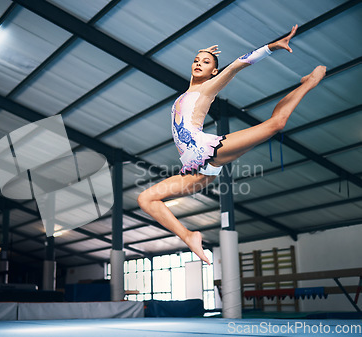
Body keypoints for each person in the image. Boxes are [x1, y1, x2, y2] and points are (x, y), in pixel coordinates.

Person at [137, 25, 326, 265]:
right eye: (196, 60)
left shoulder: (208, 88)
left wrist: (271, 47)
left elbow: (237, 65)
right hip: (193, 168)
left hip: (206, 149)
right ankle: (189, 236)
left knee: (276, 124)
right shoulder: (189, 91)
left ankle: (310, 82)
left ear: (214, 71)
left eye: (205, 62)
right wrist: (205, 54)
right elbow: (194, 82)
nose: (198, 63)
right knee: (145, 199)